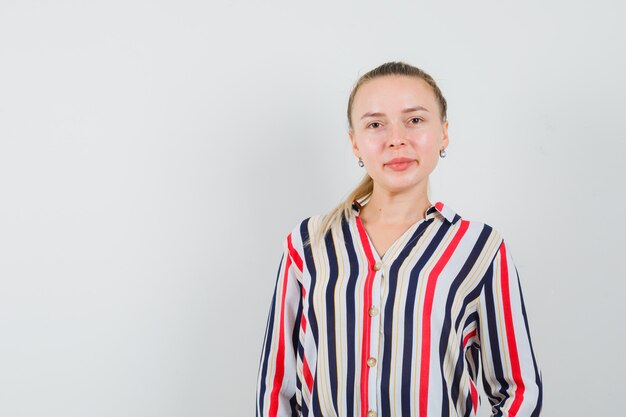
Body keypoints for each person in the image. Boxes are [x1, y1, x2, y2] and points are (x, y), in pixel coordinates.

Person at [256, 62, 542, 417]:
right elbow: (276, 388)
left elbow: (519, 390)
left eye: (415, 120)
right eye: (376, 124)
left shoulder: (480, 249)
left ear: (444, 133)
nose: (396, 138)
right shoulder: (308, 244)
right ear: (355, 144)